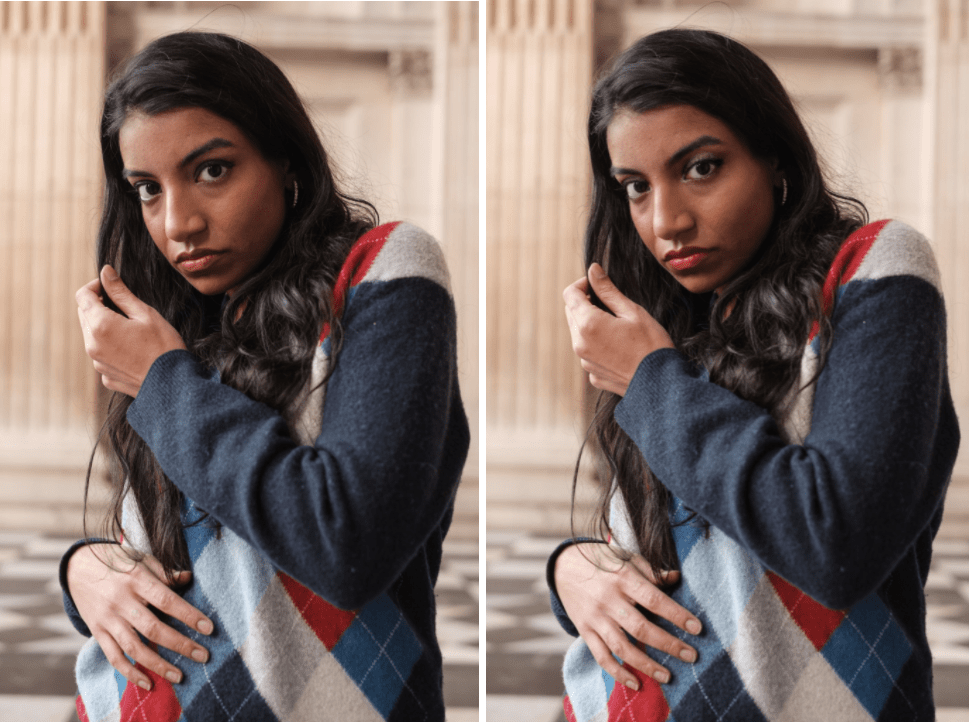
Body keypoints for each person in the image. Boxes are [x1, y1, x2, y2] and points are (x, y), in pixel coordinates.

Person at [548, 28, 958, 722]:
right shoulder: (663, 325)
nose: (666, 221)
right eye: (636, 187)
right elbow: (660, 547)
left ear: (774, 158)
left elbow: (836, 543)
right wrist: (571, 571)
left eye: (701, 167)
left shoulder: (874, 274)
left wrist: (651, 381)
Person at [62, 31, 469, 722]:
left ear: (285, 161)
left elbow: (347, 544)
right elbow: (175, 543)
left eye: (212, 170)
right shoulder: (171, 322)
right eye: (147, 190)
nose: (177, 223)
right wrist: (84, 573)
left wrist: (164, 383)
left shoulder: (384, 272)